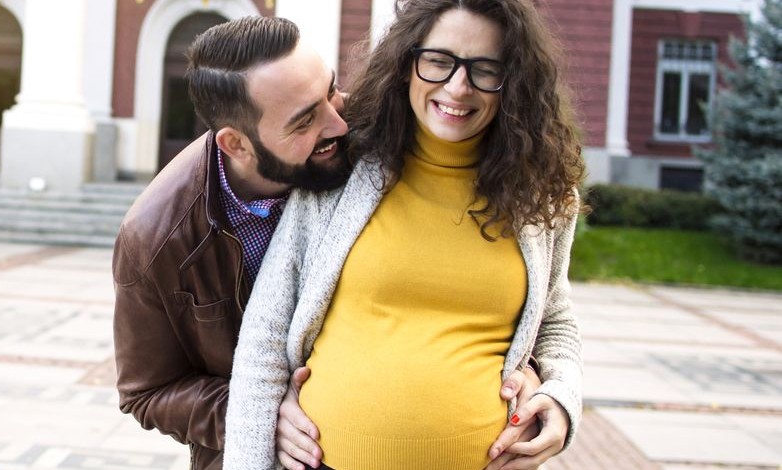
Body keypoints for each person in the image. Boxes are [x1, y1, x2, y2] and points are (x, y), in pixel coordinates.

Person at [113, 16, 550, 470]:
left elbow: (484, 283)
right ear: (237, 145)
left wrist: (541, 378)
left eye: (331, 90)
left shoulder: (371, 136)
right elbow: (149, 390)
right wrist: (258, 417)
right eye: (306, 119)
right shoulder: (155, 240)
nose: (341, 123)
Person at [223, 0, 585, 469]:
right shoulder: (343, 170)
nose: (458, 87)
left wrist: (560, 397)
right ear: (407, 62)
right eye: (438, 61)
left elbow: (555, 318)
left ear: (512, 82)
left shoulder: (542, 197)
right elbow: (264, 337)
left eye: (485, 69)